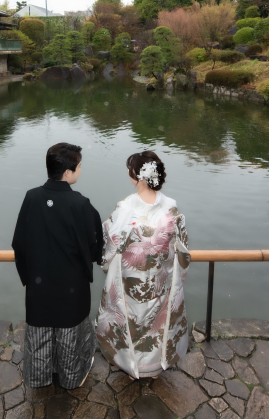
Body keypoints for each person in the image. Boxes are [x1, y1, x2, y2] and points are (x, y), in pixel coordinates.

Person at [12, 142, 105, 389]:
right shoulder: (80, 204)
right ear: (68, 172)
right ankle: (71, 377)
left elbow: (19, 242)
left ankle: (40, 376)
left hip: (38, 284)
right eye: (80, 166)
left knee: (40, 330)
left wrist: (28, 277)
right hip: (71, 285)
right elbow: (96, 243)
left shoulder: (31, 197)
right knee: (69, 333)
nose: (81, 170)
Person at [95, 151, 190, 379]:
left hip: (131, 279)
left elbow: (109, 242)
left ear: (137, 175)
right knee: (157, 320)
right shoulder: (171, 208)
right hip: (160, 277)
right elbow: (183, 248)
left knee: (131, 320)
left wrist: (107, 260)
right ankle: (156, 366)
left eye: (131, 170)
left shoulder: (125, 208)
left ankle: (131, 364)